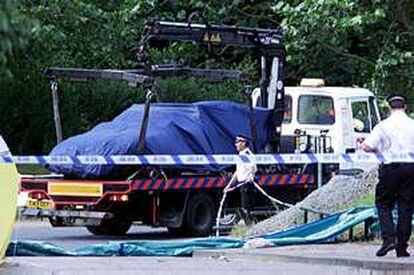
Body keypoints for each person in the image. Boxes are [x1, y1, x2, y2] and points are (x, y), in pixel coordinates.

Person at [360, 94, 414, 257]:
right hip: (411, 168)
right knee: (406, 207)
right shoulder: (412, 124)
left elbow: (368, 146)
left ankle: (389, 238)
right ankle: (402, 247)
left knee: (383, 204)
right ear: (405, 107)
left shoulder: (383, 126)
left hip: (390, 168)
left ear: (389, 108)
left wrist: (370, 146)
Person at [224, 134, 257, 225]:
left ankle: (250, 228)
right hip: (241, 184)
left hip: (246, 184)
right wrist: (228, 186)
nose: (236, 145)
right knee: (243, 208)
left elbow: (252, 167)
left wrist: (250, 177)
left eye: (237, 142)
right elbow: (237, 172)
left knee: (246, 209)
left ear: (243, 143)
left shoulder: (246, 154)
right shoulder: (241, 155)